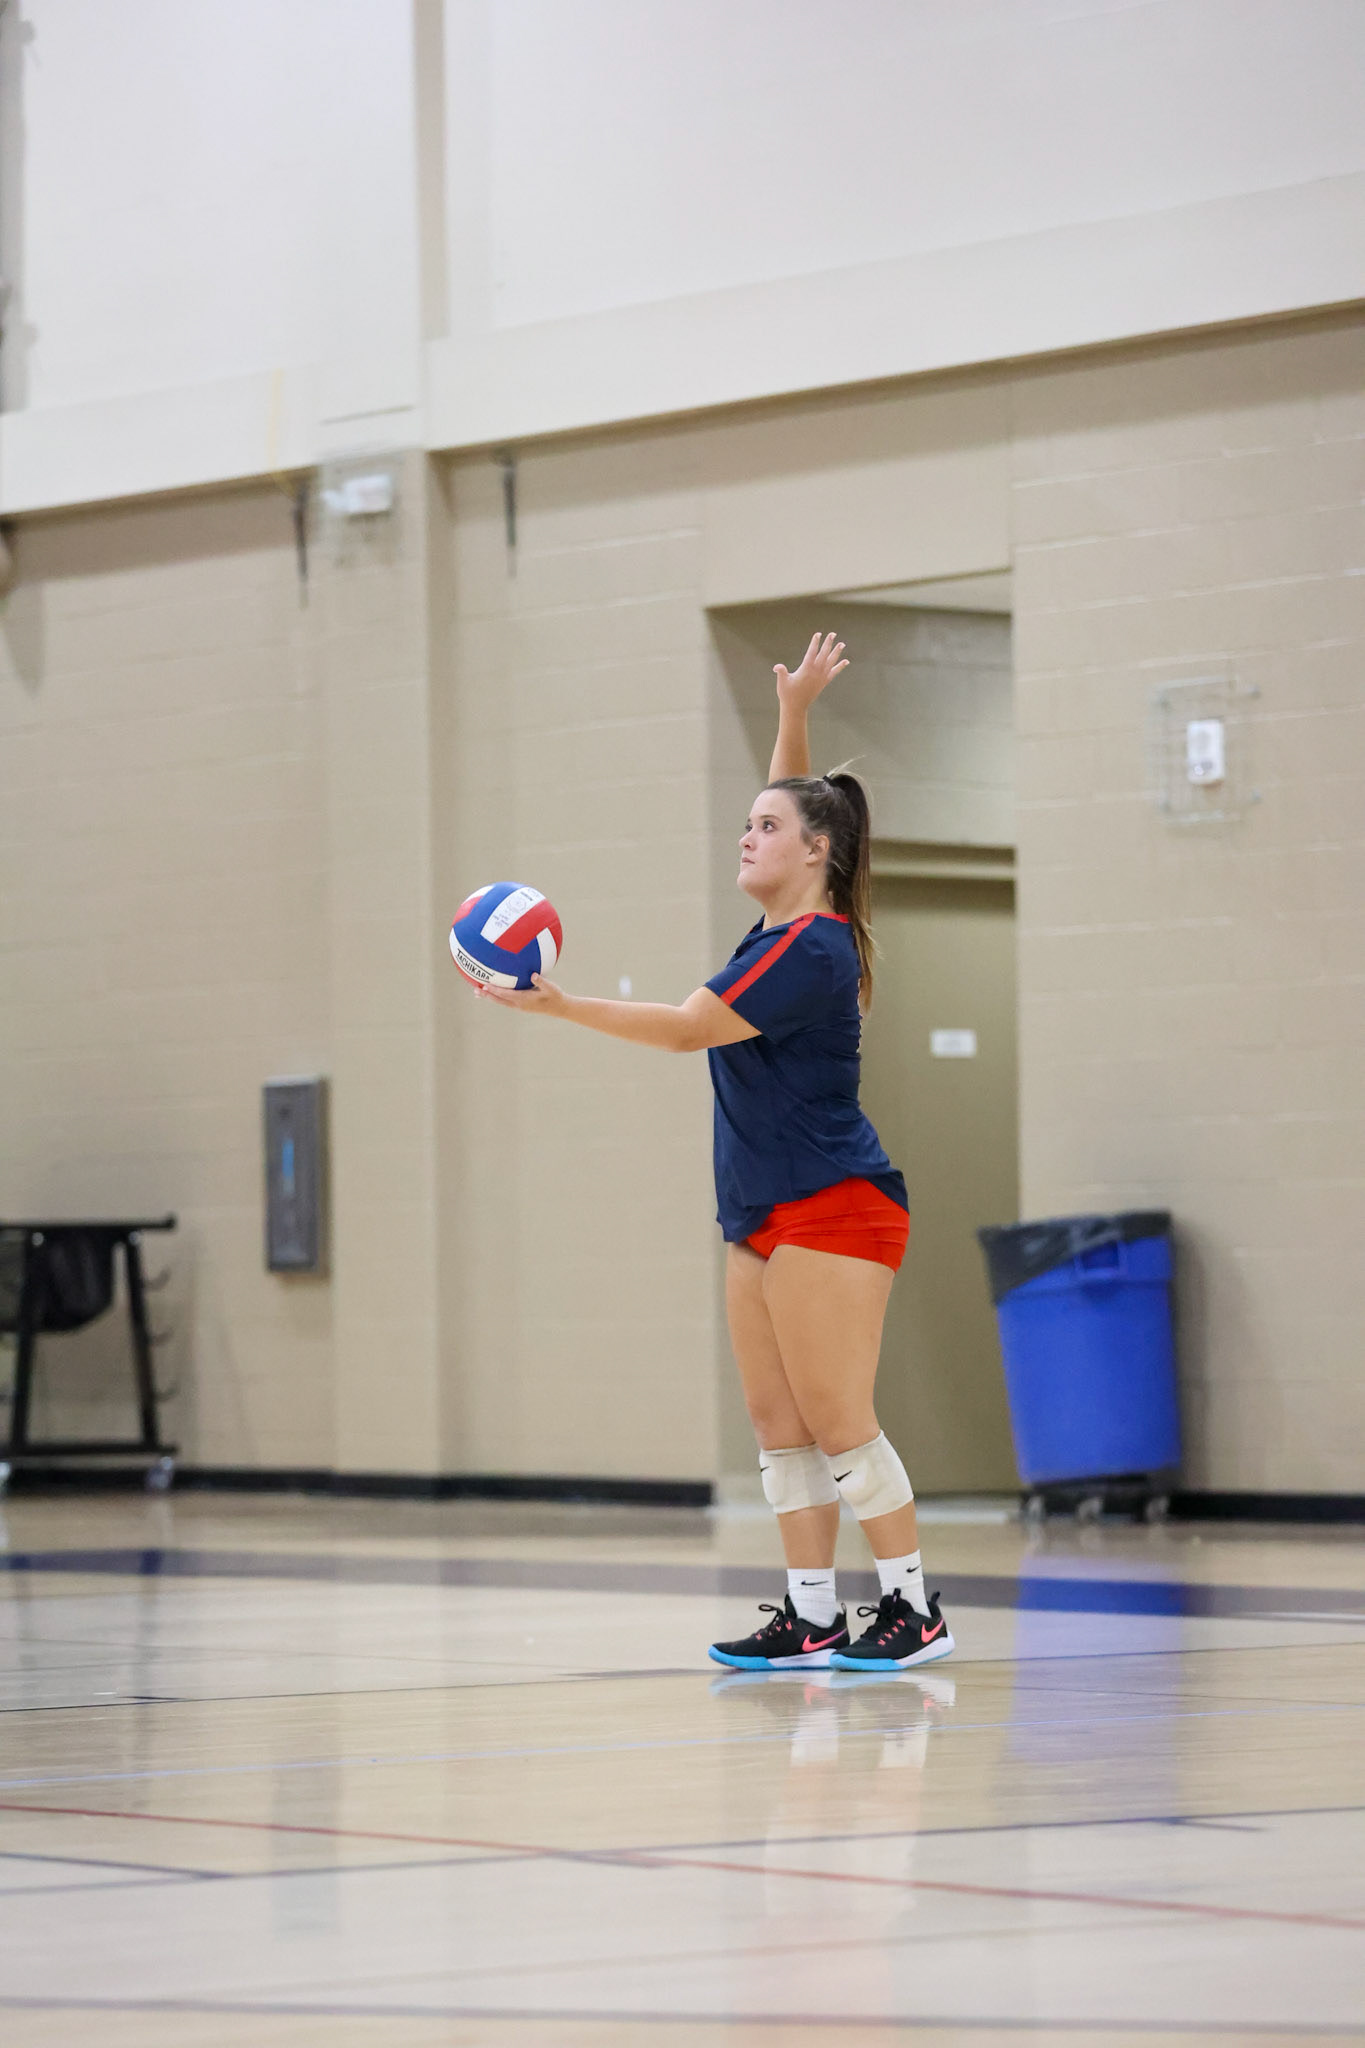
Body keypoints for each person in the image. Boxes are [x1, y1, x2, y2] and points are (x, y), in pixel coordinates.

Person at [477, 632, 954, 1673]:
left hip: (837, 1204)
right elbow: (797, 798)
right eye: (744, 822)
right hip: (760, 1207)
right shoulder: (776, 933)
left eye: (765, 825)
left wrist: (557, 1004)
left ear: (816, 850)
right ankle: (814, 1612)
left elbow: (688, 1026)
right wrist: (793, 713)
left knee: (838, 1418)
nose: (746, 834)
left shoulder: (812, 949)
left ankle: (915, 1606)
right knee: (780, 1426)